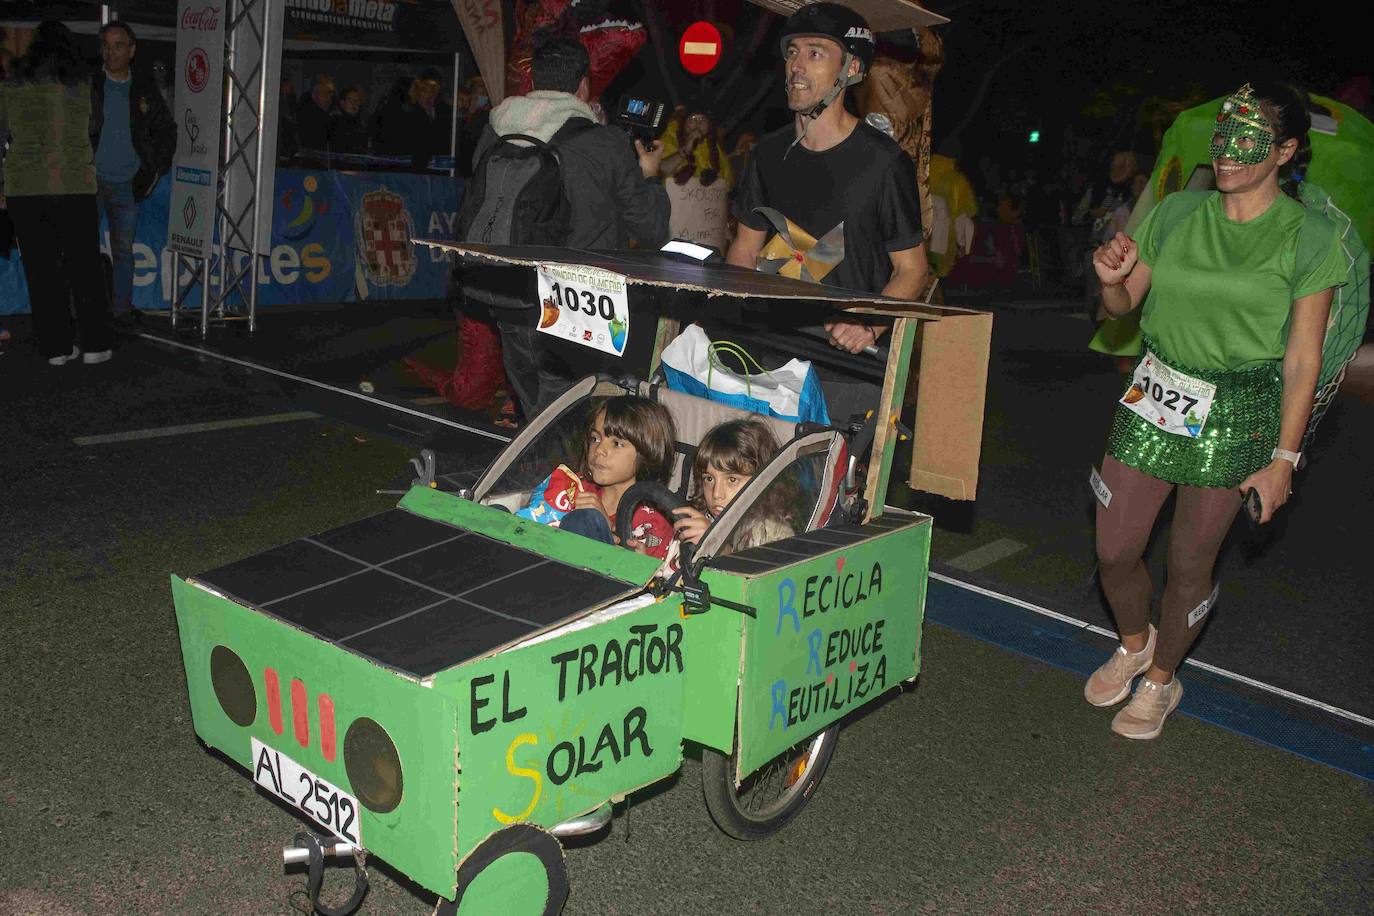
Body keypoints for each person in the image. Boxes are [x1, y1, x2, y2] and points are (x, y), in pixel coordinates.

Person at [1087, 81, 1347, 740]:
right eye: (1224, 134)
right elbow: (1123, 308)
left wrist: (1283, 461)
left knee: (1189, 564)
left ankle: (1161, 679)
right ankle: (1135, 642)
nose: (1228, 150)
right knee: (1114, 549)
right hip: (1155, 394)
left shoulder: (1309, 237)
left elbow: (1303, 362)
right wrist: (1111, 283)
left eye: (1249, 138)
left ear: (1285, 150)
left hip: (1238, 410)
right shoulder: (1177, 211)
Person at [407, 35, 668, 423]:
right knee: (573, 417)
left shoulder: (497, 130)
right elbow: (651, 228)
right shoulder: (607, 142)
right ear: (583, 86)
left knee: (540, 411)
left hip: (514, 293)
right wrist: (649, 176)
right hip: (582, 304)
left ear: (533, 81)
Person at [728, 2, 928, 355]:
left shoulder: (884, 161)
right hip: (769, 347)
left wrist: (869, 323)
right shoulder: (766, 154)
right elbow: (745, 248)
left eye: (815, 53)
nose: (797, 65)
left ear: (851, 68)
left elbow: (912, 270)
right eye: (793, 52)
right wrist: (734, 310)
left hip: (845, 361)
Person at [0, 21, 112, 366]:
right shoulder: (83, 85)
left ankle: (56, 348)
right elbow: (94, 126)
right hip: (73, 185)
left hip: (26, 189)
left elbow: (2, 134)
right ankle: (95, 346)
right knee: (85, 268)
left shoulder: (11, 86)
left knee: (42, 271)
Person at [91, 20, 175, 327]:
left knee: (124, 252)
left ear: (132, 50)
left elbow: (167, 131)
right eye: (106, 46)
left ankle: (121, 310)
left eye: (118, 46)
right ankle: (84, 308)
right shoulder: (89, 84)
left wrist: (154, 171)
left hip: (127, 183)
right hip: (89, 181)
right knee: (82, 248)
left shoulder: (143, 88)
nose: (111, 52)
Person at [535, 396, 678, 560]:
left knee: (584, 520)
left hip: (590, 575)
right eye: (595, 438)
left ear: (648, 452)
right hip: (540, 563)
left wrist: (604, 528)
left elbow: (641, 574)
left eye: (617, 443)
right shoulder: (573, 486)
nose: (599, 450)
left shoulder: (653, 522)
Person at [671, 418, 796, 555]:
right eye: (709, 479)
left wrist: (715, 545)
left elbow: (749, 567)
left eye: (732, 479)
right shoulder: (706, 518)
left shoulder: (772, 534)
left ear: (762, 481)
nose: (716, 494)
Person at [659, 99, 732, 189]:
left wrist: (715, 178)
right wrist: (685, 150)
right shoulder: (669, 139)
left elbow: (728, 183)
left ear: (709, 125)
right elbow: (658, 172)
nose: (698, 123)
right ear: (684, 123)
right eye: (693, 118)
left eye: (703, 119)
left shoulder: (714, 147)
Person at [295, 74, 335, 152]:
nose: (328, 97)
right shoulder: (308, 113)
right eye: (324, 92)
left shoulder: (331, 112)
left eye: (330, 93)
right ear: (315, 92)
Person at [328, 86, 369, 156]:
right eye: (350, 99)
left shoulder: (359, 122)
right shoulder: (335, 120)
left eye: (357, 100)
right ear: (342, 102)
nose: (354, 103)